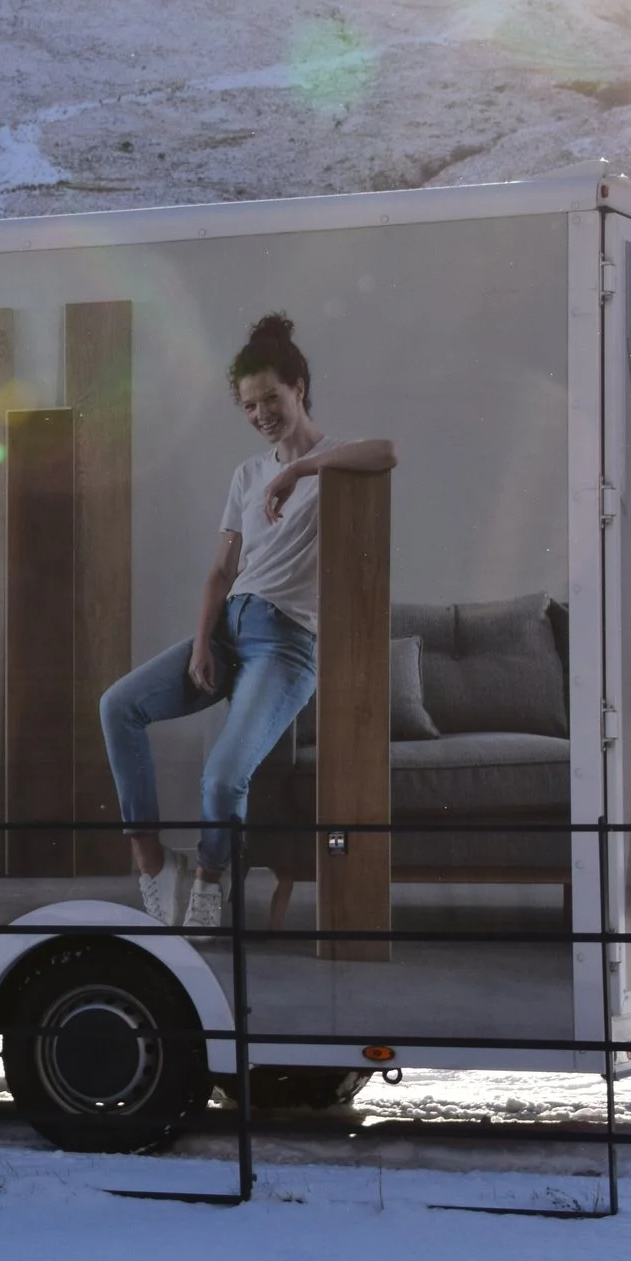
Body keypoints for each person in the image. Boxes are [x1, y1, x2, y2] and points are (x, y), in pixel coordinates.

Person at [99, 313, 396, 928]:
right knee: (118, 705)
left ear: (300, 388)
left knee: (223, 778)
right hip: (231, 630)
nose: (261, 415)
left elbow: (389, 452)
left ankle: (211, 876)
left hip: (287, 646)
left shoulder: (334, 462)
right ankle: (153, 862)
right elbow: (220, 571)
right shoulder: (244, 475)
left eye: (272, 399)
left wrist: (299, 469)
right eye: (249, 406)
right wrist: (202, 642)